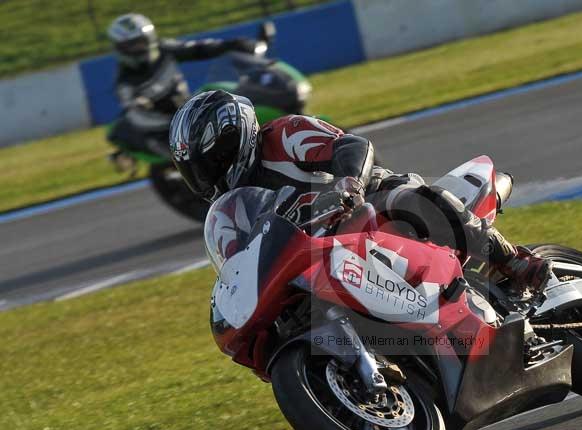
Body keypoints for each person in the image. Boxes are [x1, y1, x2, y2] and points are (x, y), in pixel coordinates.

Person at [168, 90, 552, 292]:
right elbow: (238, 263)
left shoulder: (284, 135)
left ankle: (512, 259)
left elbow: (353, 147)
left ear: (233, 138)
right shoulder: (230, 210)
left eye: (212, 161)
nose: (209, 176)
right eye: (196, 171)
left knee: (405, 198)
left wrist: (347, 184)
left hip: (367, 203)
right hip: (320, 255)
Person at [107, 13, 259, 158]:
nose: (139, 48)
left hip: (187, 109)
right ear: (121, 49)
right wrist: (172, 122)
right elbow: (137, 117)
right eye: (132, 46)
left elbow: (196, 48)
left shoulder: (164, 49)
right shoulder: (125, 84)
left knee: (218, 96)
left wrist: (231, 45)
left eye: (141, 42)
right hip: (163, 127)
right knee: (189, 155)